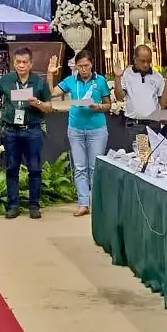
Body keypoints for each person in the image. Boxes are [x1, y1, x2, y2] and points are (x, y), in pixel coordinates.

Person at [0, 47, 52, 219]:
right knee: (12, 168)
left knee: (35, 169)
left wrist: (37, 102)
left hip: (32, 130)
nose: (21, 65)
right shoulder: (7, 80)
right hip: (11, 130)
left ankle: (34, 205)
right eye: (18, 62)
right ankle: (13, 205)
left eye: (25, 62)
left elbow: (49, 107)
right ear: (14, 63)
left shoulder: (39, 82)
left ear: (30, 64)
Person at [50, 51, 111, 217]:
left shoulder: (100, 81)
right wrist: (50, 74)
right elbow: (51, 92)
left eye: (86, 65)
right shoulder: (70, 81)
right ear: (76, 66)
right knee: (80, 168)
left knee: (94, 168)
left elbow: (108, 105)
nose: (83, 69)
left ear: (91, 64)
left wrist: (99, 107)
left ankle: (95, 202)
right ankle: (83, 203)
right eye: (80, 66)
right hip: (75, 130)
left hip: (97, 130)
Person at [113, 45, 167, 150]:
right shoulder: (127, 74)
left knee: (154, 158)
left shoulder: (157, 76)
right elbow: (120, 97)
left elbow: (163, 103)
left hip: (153, 125)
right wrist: (117, 78)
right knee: (134, 159)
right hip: (134, 125)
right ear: (135, 59)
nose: (146, 64)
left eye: (148, 61)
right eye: (142, 61)